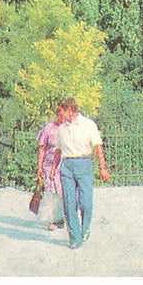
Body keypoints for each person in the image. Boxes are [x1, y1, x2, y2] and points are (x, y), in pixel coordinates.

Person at [55, 96, 109, 249]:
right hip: (66, 166)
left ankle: (85, 229)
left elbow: (98, 147)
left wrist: (102, 168)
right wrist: (53, 169)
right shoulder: (61, 128)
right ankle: (74, 237)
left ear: (69, 110)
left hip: (84, 163)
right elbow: (58, 150)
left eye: (61, 111)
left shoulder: (88, 125)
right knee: (69, 203)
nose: (58, 114)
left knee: (85, 203)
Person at [35, 114, 65, 230]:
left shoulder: (69, 128)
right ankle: (55, 219)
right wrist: (39, 167)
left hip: (64, 163)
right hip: (49, 163)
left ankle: (65, 217)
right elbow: (42, 148)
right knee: (52, 192)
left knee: (64, 191)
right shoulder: (49, 128)